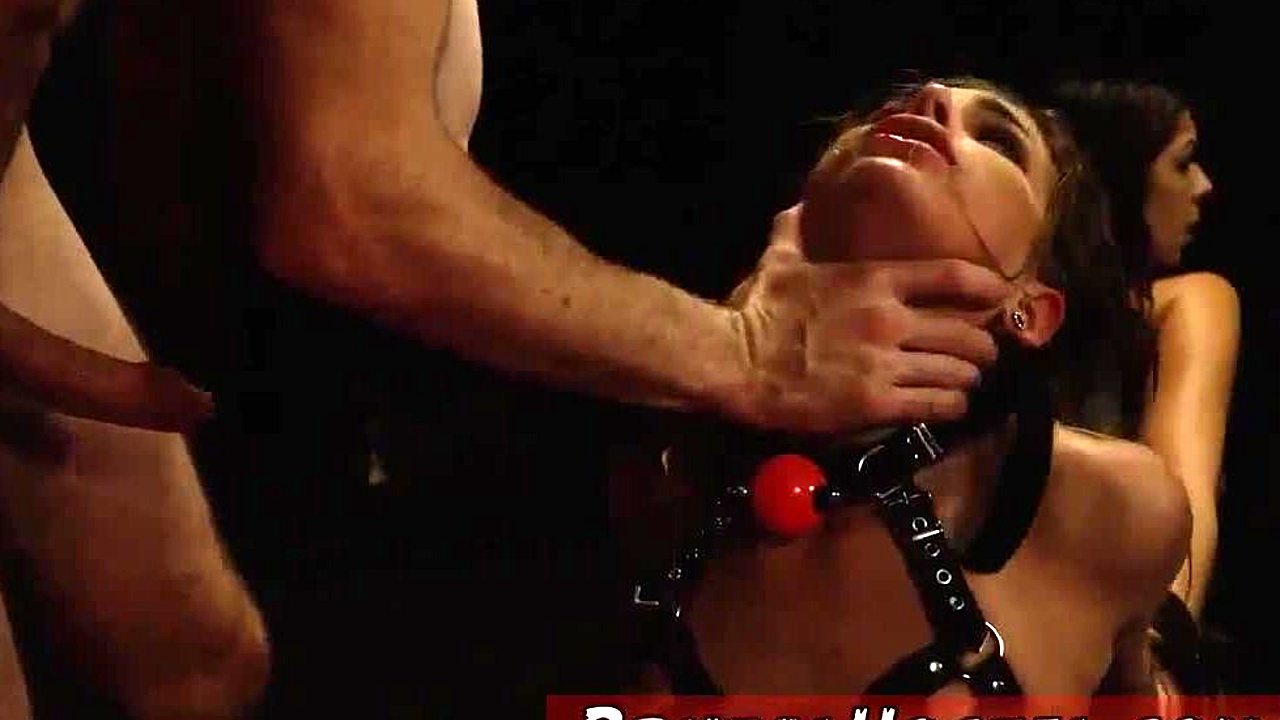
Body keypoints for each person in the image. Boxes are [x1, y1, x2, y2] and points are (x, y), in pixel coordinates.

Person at [613, 80, 1191, 698]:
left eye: (999, 140)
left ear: (1032, 309)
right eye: (888, 109)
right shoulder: (666, 480)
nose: (928, 100)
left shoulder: (1114, 512)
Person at [1051, 80, 1235, 623]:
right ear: (1121, 173)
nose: (1203, 186)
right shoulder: (1023, 314)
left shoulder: (1180, 306)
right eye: (1182, 163)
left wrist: (1161, 654)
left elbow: (1185, 511)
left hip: (1124, 644)